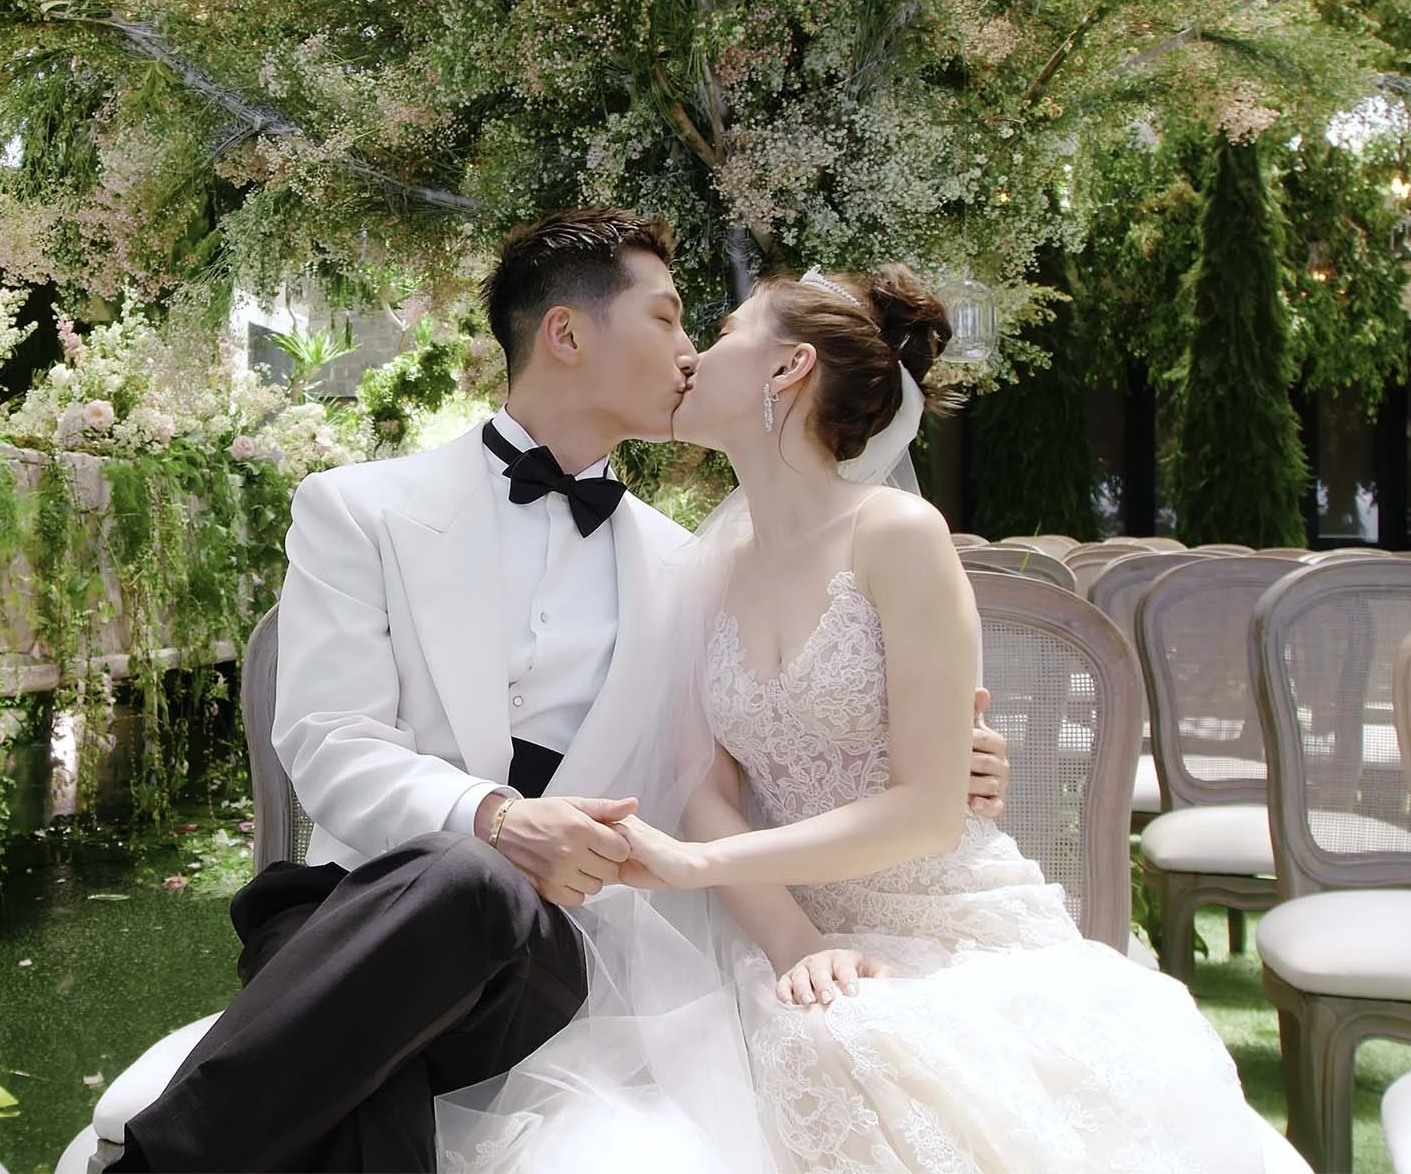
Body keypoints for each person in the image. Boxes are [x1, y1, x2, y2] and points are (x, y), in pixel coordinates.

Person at [105, 213, 1012, 1173]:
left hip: (557, 957)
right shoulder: (358, 511)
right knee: (409, 1009)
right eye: (667, 320)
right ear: (568, 336)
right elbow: (329, 742)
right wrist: (494, 818)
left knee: (473, 901)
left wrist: (942, 765)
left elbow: (734, 765)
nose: (690, 351)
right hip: (353, 920)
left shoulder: (692, 568)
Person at [447, 264, 1275, 1172]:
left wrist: (701, 867)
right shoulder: (705, 567)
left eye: (721, 332)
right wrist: (796, 942)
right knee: (774, 1060)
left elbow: (928, 810)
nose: (691, 356)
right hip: (780, 926)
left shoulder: (897, 535)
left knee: (887, 1060)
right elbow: (704, 788)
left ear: (786, 369)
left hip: (945, 923)